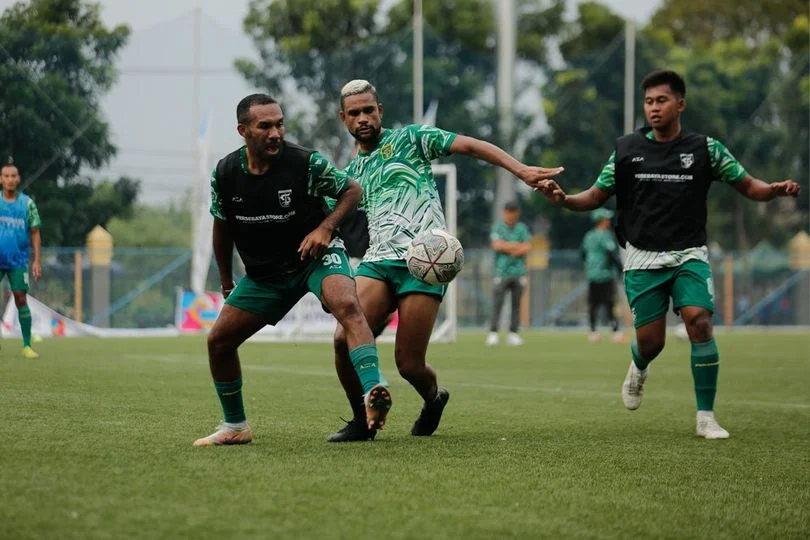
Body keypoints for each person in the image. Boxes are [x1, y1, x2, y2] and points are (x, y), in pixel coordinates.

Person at [534, 69, 801, 439]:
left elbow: (749, 185)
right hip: (642, 257)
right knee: (652, 342)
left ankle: (705, 417)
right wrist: (564, 199)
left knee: (699, 322)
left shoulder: (707, 150)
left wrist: (773, 190)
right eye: (648, 102)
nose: (654, 108)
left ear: (680, 104)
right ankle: (639, 366)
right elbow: (594, 196)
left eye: (661, 100)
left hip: (689, 253)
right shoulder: (626, 150)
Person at [328, 79, 564, 442]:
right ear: (343, 118)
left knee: (409, 364)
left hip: (426, 260)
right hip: (377, 262)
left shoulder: (412, 139)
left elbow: (469, 145)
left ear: (380, 112)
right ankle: (362, 421)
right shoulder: (351, 174)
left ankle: (433, 399)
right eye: (355, 113)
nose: (363, 118)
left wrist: (522, 171)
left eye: (369, 110)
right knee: (342, 339)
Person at [193, 94, 392, 447]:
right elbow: (221, 228)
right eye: (265, 126)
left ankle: (374, 390)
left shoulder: (305, 163)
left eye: (280, 124)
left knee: (347, 305)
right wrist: (225, 279)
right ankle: (235, 426)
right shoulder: (225, 173)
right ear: (243, 131)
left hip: (316, 257)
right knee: (218, 341)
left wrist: (325, 228)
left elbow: (353, 190)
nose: (276, 133)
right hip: (266, 274)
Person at [0, 163, 42, 359]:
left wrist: (37, 260)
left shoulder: (27, 204)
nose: (10, 179)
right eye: (6, 176)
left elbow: (35, 232)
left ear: (18, 179)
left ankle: (27, 345)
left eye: (13, 176)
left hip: (18, 260)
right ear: (1, 179)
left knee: (20, 298)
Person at [486, 201, 532, 346]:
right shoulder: (498, 227)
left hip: (519, 272)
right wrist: (516, 246)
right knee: (497, 303)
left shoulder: (522, 228)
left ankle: (513, 333)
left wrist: (507, 246)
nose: (512, 215)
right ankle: (493, 332)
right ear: (504, 213)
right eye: (509, 212)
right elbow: (496, 245)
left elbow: (527, 247)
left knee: (516, 304)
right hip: (502, 272)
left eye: (514, 212)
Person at [581, 208, 625, 344]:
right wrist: (621, 270)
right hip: (605, 274)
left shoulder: (588, 236)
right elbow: (611, 253)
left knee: (593, 304)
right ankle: (615, 331)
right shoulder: (606, 235)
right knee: (609, 303)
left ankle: (593, 331)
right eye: (606, 219)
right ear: (601, 221)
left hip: (592, 274)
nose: (608, 222)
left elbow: (582, 254)